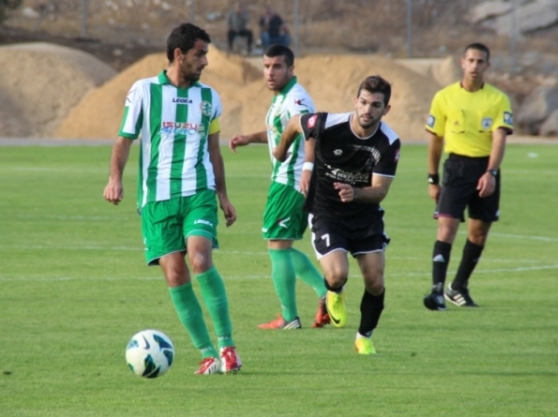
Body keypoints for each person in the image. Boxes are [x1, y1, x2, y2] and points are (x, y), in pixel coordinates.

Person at [103, 23, 242, 375]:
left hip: (198, 192)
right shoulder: (143, 91)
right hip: (156, 199)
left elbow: (214, 150)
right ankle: (207, 354)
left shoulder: (209, 98)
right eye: (200, 54)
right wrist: (115, 179)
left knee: (199, 258)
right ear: (179, 54)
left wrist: (223, 195)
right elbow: (124, 139)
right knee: (176, 274)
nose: (206, 61)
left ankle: (228, 348)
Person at [273, 75, 401, 354]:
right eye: (363, 102)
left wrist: (355, 193)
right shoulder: (328, 123)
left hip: (365, 217)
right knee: (337, 274)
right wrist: (281, 151)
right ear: (355, 101)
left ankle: (364, 337)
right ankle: (334, 290)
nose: (367, 110)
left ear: (386, 109)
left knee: (375, 281)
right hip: (326, 211)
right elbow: (295, 123)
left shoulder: (388, 142)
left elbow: (380, 191)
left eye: (376, 105)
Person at [228, 44, 329, 330]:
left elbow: (310, 131)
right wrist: (249, 138)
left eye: (277, 66)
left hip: (291, 181)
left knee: (277, 246)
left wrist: (307, 169)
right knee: (279, 246)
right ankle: (326, 293)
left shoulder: (296, 99)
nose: (270, 72)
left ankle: (290, 316)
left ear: (290, 69)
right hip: (286, 180)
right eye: (266, 66)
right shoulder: (282, 98)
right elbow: (281, 132)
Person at [422, 42, 513, 311]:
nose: (475, 66)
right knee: (446, 227)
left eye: (480, 61)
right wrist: (432, 179)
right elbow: (435, 141)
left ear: (487, 65)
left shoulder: (498, 99)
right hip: (456, 168)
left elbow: (499, 139)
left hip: (485, 168)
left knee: (479, 232)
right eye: (471, 60)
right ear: (462, 62)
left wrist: (491, 172)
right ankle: (437, 291)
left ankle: (458, 287)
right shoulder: (444, 97)